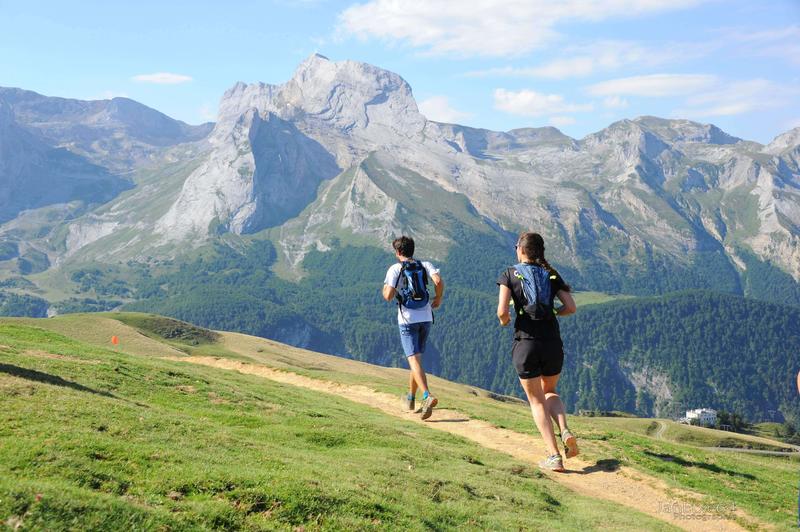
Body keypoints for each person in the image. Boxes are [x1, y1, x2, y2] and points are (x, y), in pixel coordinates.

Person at [496, 232, 578, 472]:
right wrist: (554, 314)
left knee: (536, 400)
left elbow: (502, 312)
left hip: (526, 343)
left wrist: (505, 321)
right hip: (552, 342)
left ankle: (554, 456)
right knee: (550, 391)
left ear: (521, 249)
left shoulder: (509, 274)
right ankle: (565, 430)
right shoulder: (551, 274)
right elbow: (570, 307)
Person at [382, 236, 444, 420]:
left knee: (414, 361)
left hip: (407, 320)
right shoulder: (424, 265)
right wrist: (438, 298)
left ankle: (427, 395)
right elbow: (438, 282)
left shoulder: (395, 268)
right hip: (426, 318)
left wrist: (386, 288)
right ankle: (410, 398)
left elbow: (388, 296)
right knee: (416, 360)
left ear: (398, 252)